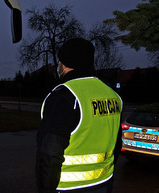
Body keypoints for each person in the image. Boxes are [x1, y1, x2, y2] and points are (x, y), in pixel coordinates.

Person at [36, 38, 123, 193]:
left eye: (59, 63)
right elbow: (117, 144)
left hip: (68, 188)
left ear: (64, 64)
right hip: (103, 183)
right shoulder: (112, 95)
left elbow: (50, 154)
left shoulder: (64, 96)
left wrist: (45, 189)